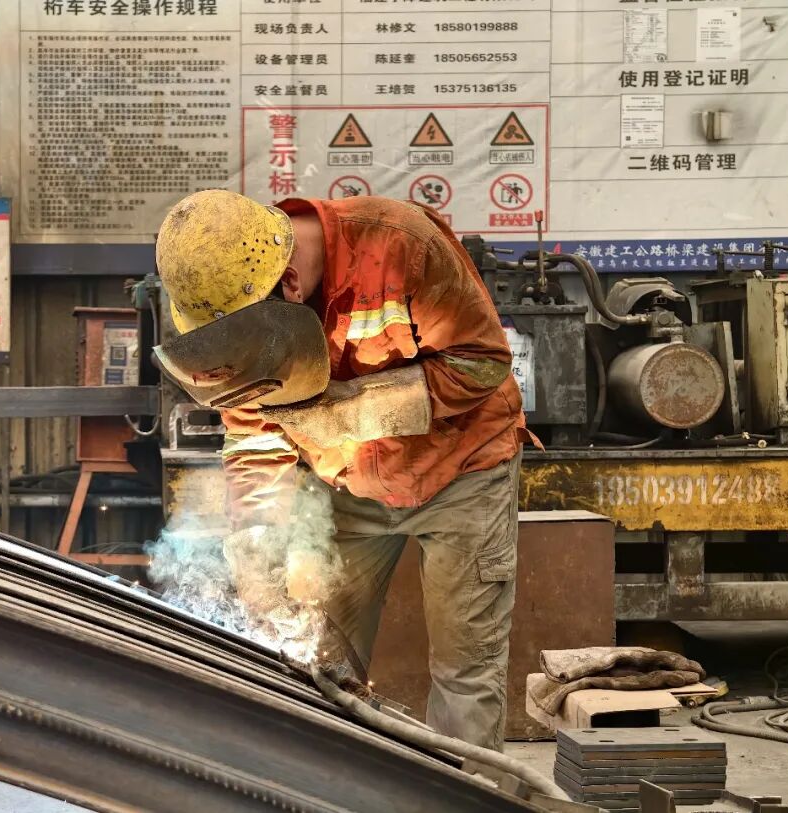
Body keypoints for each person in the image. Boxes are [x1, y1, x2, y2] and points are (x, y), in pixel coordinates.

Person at [156, 189, 532, 750]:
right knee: (324, 666)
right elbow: (256, 436)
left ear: (288, 283)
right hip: (350, 486)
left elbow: (482, 364)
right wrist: (257, 541)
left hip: (463, 472)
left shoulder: (402, 244)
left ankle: (466, 787)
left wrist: (349, 412)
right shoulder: (242, 309)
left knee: (465, 674)